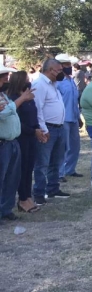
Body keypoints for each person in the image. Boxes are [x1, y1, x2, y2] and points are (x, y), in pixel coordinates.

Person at [31, 59, 72, 205]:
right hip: (48, 128)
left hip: (59, 127)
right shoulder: (40, 85)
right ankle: (39, 193)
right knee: (42, 163)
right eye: (59, 70)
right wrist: (43, 129)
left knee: (56, 161)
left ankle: (53, 188)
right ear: (50, 70)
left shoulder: (53, 84)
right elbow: (38, 109)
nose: (61, 73)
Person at [1, 66, 36, 220]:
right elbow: (3, 113)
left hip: (12, 141)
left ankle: (6, 210)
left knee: (11, 178)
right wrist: (21, 100)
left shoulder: (3, 95)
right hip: (3, 143)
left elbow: (9, 110)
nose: (6, 79)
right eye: (3, 76)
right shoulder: (10, 96)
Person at [7, 71, 42, 213]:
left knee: (29, 168)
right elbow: (18, 121)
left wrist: (38, 130)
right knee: (22, 169)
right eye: (26, 79)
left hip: (31, 137)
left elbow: (34, 115)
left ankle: (28, 196)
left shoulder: (29, 96)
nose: (29, 81)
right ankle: (22, 199)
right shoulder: (14, 99)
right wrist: (33, 131)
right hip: (21, 137)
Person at [55, 54, 84, 182]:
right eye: (66, 65)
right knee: (63, 147)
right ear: (60, 66)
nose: (69, 67)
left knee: (75, 146)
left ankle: (70, 169)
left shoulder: (71, 80)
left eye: (69, 65)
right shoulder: (58, 82)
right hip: (63, 119)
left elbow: (74, 101)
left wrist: (78, 117)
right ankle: (60, 173)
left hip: (73, 117)